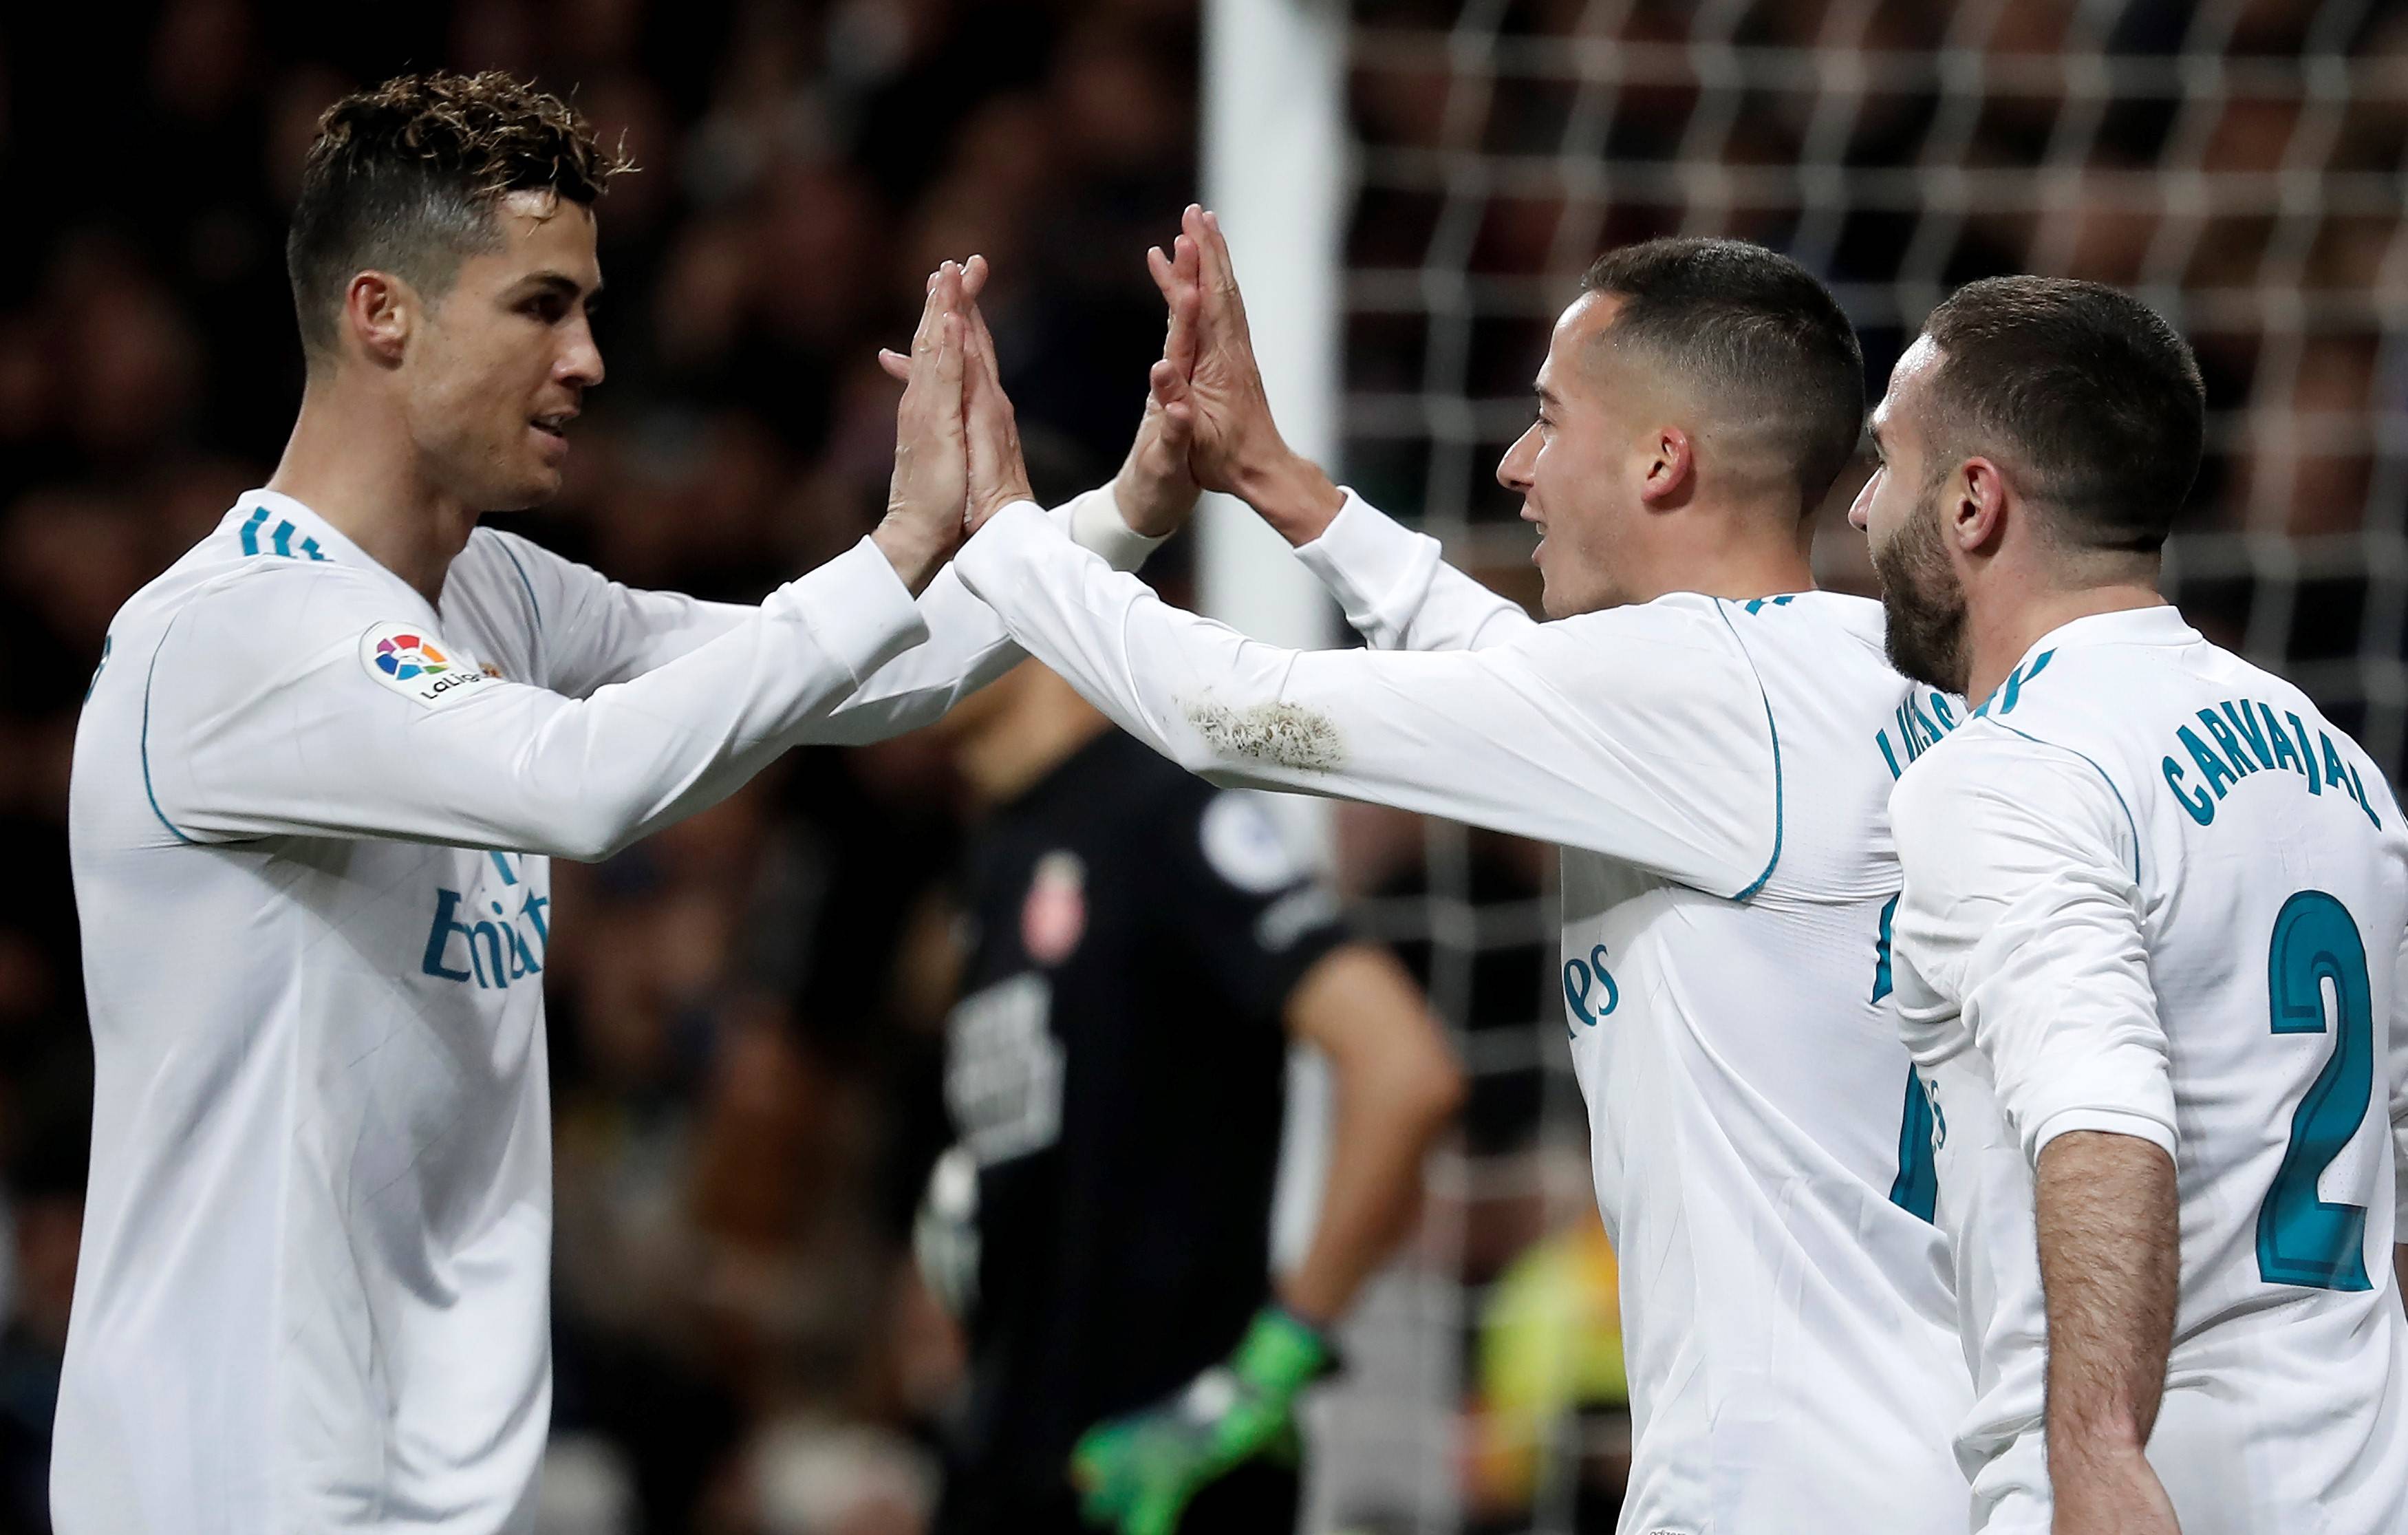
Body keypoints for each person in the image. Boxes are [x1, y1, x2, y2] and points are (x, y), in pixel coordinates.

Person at [58, 72, 1185, 1534]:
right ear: (382, 315)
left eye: (589, 308)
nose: (590, 359)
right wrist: (899, 537)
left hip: (433, 1485)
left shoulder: (493, 591)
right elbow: (582, 783)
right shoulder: (233, 634)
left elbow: (858, 673)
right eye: (540, 307)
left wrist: (1133, 504)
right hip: (232, 1484)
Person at [938, 214, 1975, 1534]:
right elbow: (1510, 672)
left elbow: (1223, 712)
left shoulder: (1682, 695)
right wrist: (1285, 488)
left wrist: (1003, 531)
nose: (1516, 465)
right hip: (1938, 1443)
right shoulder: (1869, 674)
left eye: (1549, 420)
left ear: (1663, 460)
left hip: (1786, 1485)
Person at [1854, 276, 2408, 1534]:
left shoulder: (2008, 770)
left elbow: (2101, 1116)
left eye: (1885, 462)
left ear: (1974, 501)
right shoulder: (2337, 765)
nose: (1862, 506)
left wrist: (2098, 1458)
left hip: (2154, 1492)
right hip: (2369, 1481)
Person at [914, 654, 1461, 1535]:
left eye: (931, 588)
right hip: (1013, 1467)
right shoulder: (999, 849)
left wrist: (1265, 1370)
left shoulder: (1160, 810)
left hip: (1165, 1476)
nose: (893, 620)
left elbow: (1402, 1069)